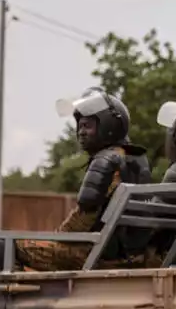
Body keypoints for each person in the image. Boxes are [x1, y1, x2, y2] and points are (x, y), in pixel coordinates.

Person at [16, 89, 152, 271]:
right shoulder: (135, 158)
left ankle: (16, 298)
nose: (81, 132)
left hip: (100, 255)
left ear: (108, 124)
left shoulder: (105, 160)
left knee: (11, 246)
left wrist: (56, 239)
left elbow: (81, 221)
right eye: (80, 126)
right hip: (132, 253)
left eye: (88, 126)